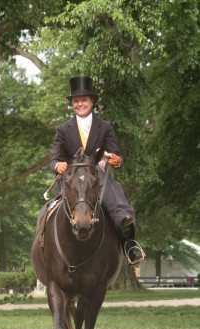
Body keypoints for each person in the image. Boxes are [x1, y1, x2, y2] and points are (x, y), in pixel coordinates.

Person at [50, 76, 145, 265]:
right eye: (76, 101)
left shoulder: (106, 127)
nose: (80, 104)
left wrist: (117, 160)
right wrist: (57, 166)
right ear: (72, 104)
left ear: (91, 101)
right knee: (48, 211)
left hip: (96, 174)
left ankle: (129, 243)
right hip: (71, 177)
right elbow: (54, 158)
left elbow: (114, 153)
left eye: (83, 100)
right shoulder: (63, 129)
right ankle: (44, 244)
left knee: (113, 195)